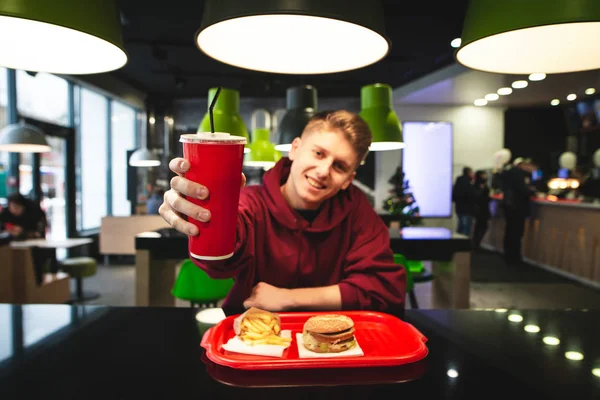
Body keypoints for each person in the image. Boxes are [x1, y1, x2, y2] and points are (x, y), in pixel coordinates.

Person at [160, 110, 406, 315]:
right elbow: (222, 260)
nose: (323, 171)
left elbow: (383, 292)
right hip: (252, 342)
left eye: (339, 166)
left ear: (348, 180)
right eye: (318, 153)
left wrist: (288, 298)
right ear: (295, 148)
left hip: (332, 350)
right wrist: (201, 217)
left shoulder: (358, 212)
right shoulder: (252, 202)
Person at [500, 158, 536, 264]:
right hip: (517, 207)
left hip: (509, 206)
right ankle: (514, 257)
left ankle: (508, 255)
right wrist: (532, 192)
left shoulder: (509, 173)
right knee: (516, 232)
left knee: (510, 231)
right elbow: (522, 190)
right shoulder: (519, 175)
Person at [452, 167, 476, 236]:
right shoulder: (466, 183)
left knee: (461, 226)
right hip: (466, 209)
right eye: (471, 173)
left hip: (460, 208)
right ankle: (463, 243)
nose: (472, 174)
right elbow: (469, 195)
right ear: (468, 173)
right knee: (465, 228)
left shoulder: (459, 181)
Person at [472, 170, 491, 250]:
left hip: (482, 208)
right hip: (481, 208)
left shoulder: (479, 184)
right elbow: (479, 195)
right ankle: (476, 243)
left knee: (480, 226)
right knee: (482, 226)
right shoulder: (480, 185)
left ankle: (476, 243)